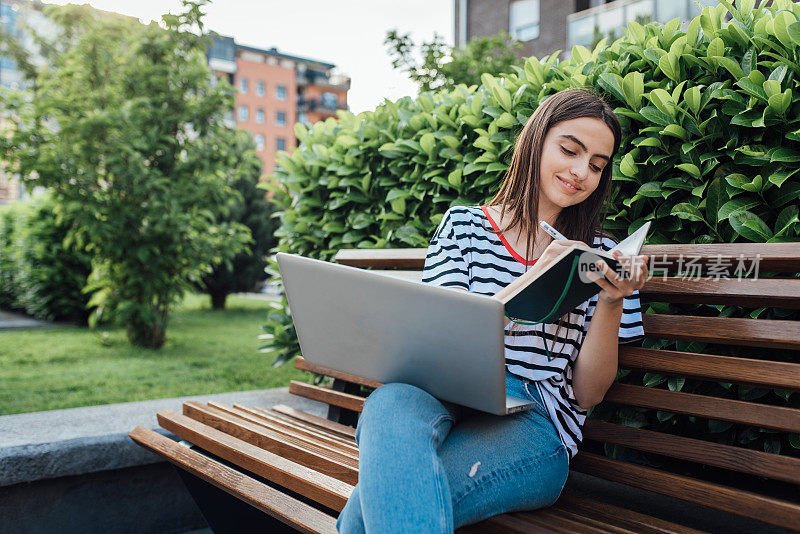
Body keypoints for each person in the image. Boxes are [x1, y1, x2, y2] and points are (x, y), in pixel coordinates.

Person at [336, 89, 650, 533]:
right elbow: (442, 344)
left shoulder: (602, 256)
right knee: (390, 402)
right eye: (569, 150)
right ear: (535, 141)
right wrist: (533, 281)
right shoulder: (463, 227)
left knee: (362, 519)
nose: (581, 172)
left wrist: (612, 300)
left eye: (597, 166)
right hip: (448, 391)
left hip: (536, 421)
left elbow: (588, 394)